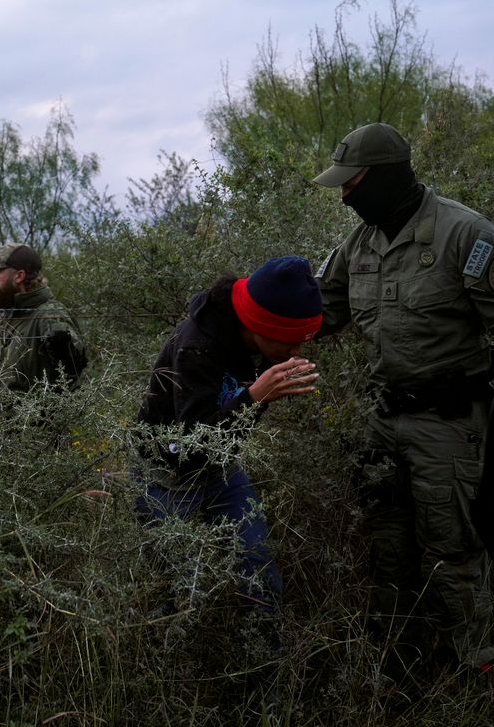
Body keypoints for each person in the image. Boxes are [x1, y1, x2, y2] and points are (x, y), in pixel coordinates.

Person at [311, 123, 494, 677]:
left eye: (353, 184)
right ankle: (400, 670)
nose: (345, 195)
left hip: (449, 425)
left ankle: (474, 675)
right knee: (387, 551)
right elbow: (319, 313)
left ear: (386, 178)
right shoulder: (359, 243)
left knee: (452, 556)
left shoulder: (465, 235)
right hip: (382, 422)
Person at [129, 256, 322, 709]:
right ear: (258, 326)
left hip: (220, 471)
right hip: (165, 475)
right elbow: (190, 447)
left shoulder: (262, 330)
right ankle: (166, 696)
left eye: (303, 343)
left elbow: (217, 448)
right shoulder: (197, 346)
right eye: (289, 344)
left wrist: (257, 393)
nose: (295, 355)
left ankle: (263, 695)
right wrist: (255, 397)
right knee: (176, 588)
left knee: (258, 572)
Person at [0, 243, 88, 410]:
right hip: (6, 432)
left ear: (19, 276)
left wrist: (64, 349)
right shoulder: (13, 314)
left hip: (36, 434)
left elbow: (74, 370)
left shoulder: (50, 315)